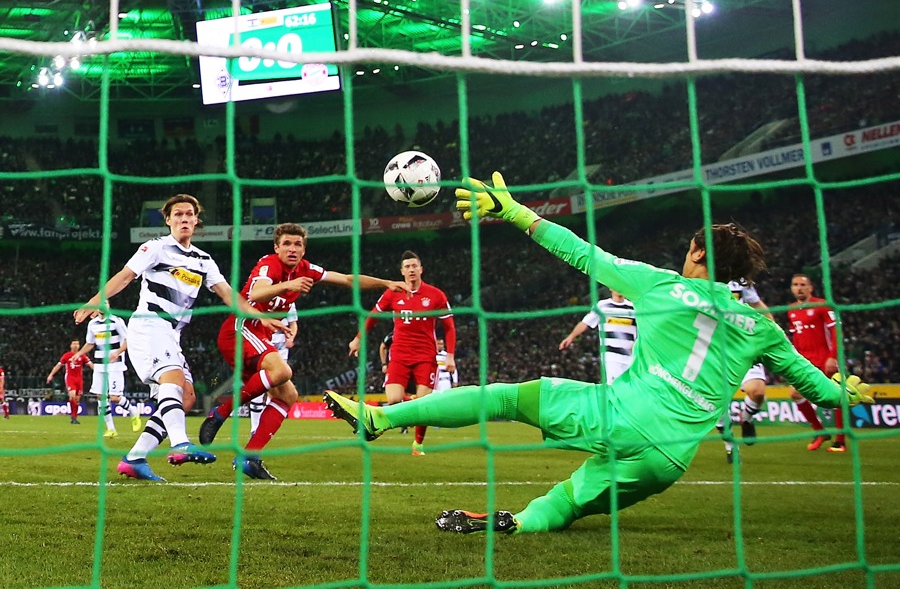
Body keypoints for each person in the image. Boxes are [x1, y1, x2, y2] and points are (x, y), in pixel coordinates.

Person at [324, 171, 872, 535]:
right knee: (568, 501)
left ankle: (379, 417)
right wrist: (848, 391)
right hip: (669, 460)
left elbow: (582, 252)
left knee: (509, 398)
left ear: (699, 254)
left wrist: (515, 213)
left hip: (622, 415)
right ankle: (513, 522)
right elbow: (817, 387)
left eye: (689, 250)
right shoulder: (761, 324)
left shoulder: (659, 285)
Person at [74, 194, 284, 482]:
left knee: (186, 396)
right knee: (171, 378)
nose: (184, 219)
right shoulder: (156, 248)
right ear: (168, 220)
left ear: (197, 220)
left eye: (189, 214)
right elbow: (125, 276)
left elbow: (228, 296)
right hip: (149, 325)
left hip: (171, 334)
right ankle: (179, 443)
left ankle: (135, 458)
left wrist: (259, 317)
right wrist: (95, 300)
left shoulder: (204, 260)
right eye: (178, 215)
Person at [199, 222, 407, 480]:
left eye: (298, 244)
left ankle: (249, 457)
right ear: (277, 247)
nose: (292, 248)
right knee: (281, 370)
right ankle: (219, 413)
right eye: (286, 243)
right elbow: (257, 291)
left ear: (304, 248)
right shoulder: (269, 264)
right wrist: (289, 286)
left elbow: (346, 279)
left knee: (288, 395)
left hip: (261, 336)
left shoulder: (306, 269)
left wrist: (385, 282)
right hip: (239, 330)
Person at [348, 250, 456, 456]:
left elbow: (449, 326)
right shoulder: (392, 293)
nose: (411, 270)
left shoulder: (436, 295)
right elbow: (372, 317)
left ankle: (418, 444)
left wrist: (450, 355)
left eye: (415, 266)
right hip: (398, 354)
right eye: (407, 267)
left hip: (425, 355)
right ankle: (416, 403)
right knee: (394, 400)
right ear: (401, 271)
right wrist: (358, 339)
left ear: (421, 269)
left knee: (424, 403)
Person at [715, 280, 774, 463]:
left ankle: (746, 417)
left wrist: (772, 328)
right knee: (718, 403)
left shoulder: (740, 281)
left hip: (743, 345)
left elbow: (756, 303)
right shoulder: (700, 278)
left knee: (757, 392)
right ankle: (731, 446)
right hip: (714, 348)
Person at [787, 274, 842, 451]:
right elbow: (796, 337)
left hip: (825, 360)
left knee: (836, 398)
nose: (799, 288)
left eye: (803, 284)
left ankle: (840, 439)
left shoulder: (822, 305)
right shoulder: (791, 309)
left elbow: (836, 332)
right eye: (795, 284)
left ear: (810, 288)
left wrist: (833, 356)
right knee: (795, 394)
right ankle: (820, 430)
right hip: (804, 362)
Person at [71, 307, 141, 438]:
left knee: (114, 397)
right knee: (100, 397)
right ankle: (111, 429)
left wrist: (117, 352)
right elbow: (90, 343)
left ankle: (133, 411)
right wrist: (78, 354)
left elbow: (128, 339)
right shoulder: (93, 324)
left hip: (115, 365)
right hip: (99, 365)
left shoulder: (116, 321)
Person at [559, 290, 636, 385]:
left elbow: (642, 329)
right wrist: (571, 337)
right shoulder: (602, 306)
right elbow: (585, 322)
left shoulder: (633, 307)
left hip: (632, 356)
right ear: (610, 288)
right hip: (612, 356)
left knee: (630, 386)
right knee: (616, 385)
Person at [248, 303, 298, 439]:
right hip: (262, 341)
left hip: (281, 346)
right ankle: (254, 428)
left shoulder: (290, 301)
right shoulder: (263, 296)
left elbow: (293, 323)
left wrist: (291, 337)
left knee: (278, 386)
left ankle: (265, 427)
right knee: (259, 382)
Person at [46, 340, 93, 424]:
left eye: (77, 344)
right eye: (74, 344)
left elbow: (91, 364)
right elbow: (58, 365)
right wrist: (51, 375)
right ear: (71, 345)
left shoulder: (82, 356)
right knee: (72, 396)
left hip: (79, 379)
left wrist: (99, 372)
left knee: (77, 399)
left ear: (79, 346)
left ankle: (74, 417)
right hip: (70, 378)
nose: (75, 345)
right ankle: (73, 416)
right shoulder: (66, 356)